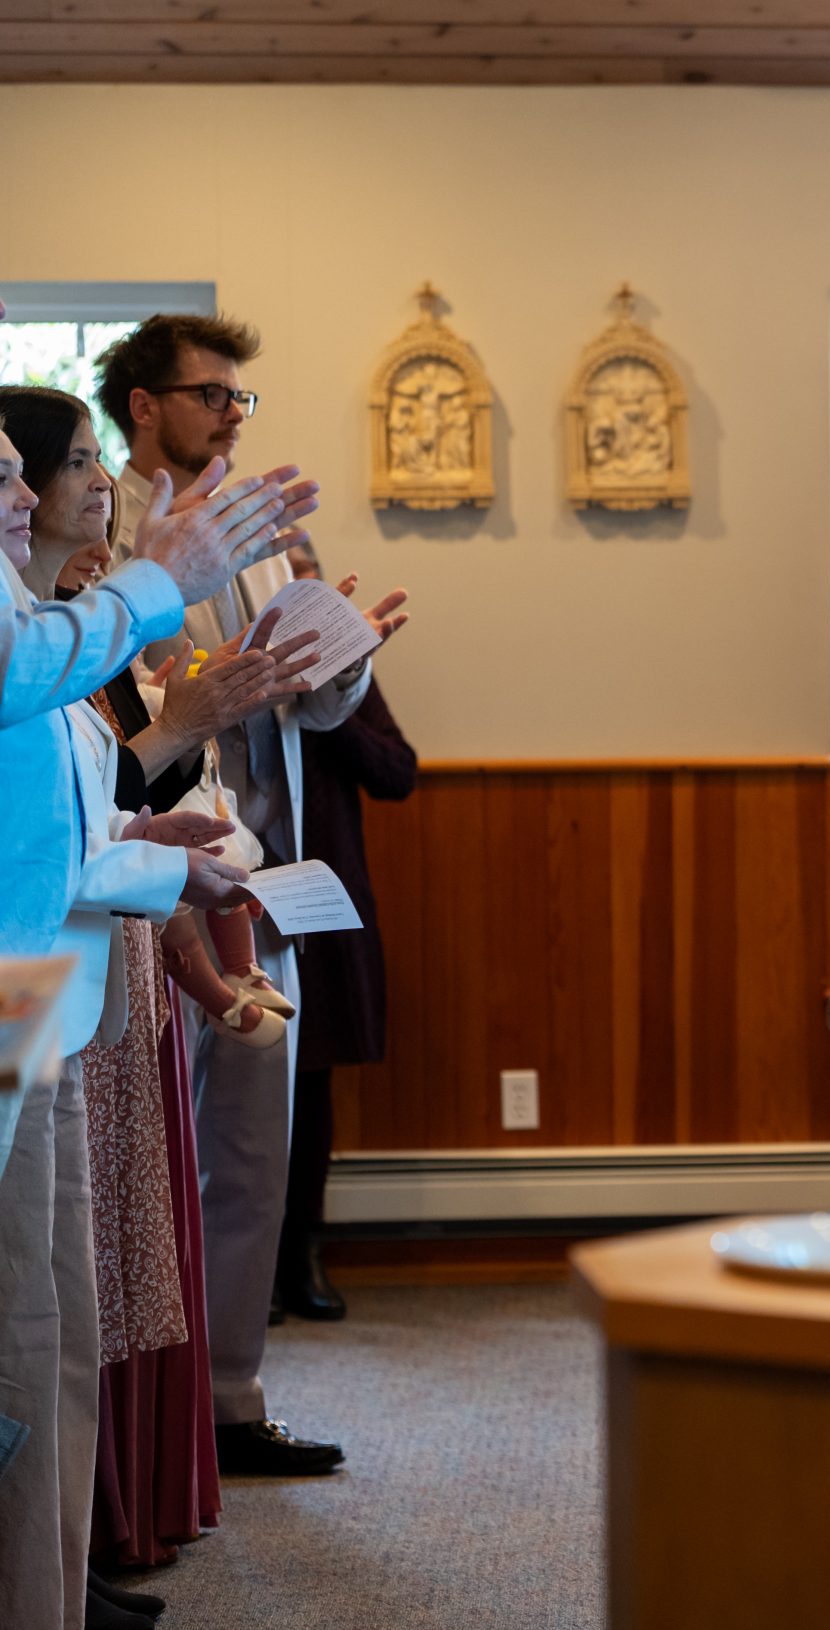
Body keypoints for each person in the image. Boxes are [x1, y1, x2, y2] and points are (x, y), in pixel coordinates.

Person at [0, 376, 312, 1630]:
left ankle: (52, 1594)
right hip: (22, 986)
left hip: (40, 987)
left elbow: (45, 831)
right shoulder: (38, 623)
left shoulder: (33, 601)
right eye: (9, 473)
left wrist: (145, 839)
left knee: (56, 1324)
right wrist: (164, 581)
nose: (24, 491)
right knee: (24, 1327)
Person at [99, 312, 409, 1479]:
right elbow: (122, 702)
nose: (232, 413)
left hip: (266, 880)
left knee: (251, 1148)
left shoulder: (270, 539)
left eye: (239, 398)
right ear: (144, 405)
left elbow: (315, 714)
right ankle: (151, 1412)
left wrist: (350, 655)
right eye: (211, 394)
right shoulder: (117, 533)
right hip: (158, 881)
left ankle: (233, 1398)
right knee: (155, 1154)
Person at [274, 545, 417, 1323]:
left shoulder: (347, 667)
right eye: (280, 569)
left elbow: (399, 772)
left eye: (307, 570)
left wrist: (325, 708)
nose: (297, 583)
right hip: (247, 890)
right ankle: (250, 1268)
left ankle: (304, 1252)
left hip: (324, 898)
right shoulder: (233, 657)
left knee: (313, 1084)